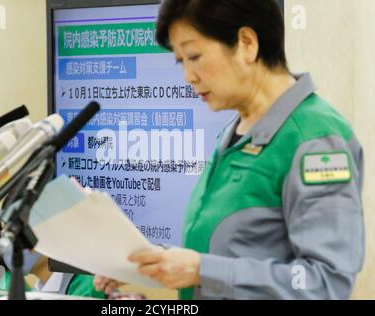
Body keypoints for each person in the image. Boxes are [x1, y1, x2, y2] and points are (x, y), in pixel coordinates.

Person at [94, 0, 365, 300]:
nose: (188, 76)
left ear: (246, 43)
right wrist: (155, 262)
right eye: (180, 61)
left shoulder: (314, 139)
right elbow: (238, 248)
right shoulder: (237, 129)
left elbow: (326, 283)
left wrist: (202, 270)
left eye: (194, 56)